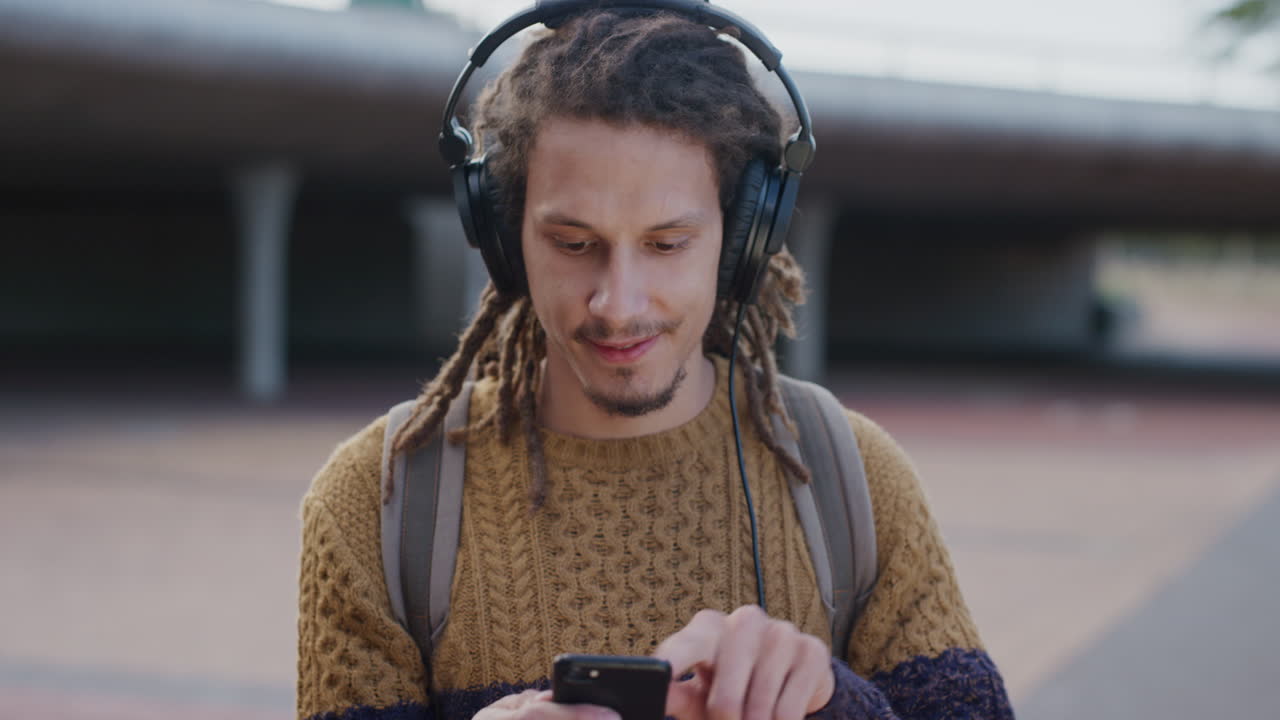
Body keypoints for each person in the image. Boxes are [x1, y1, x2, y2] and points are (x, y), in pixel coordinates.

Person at [296, 6, 1014, 720]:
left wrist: (831, 703)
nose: (617, 302)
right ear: (504, 239)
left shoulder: (853, 480)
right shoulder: (376, 503)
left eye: (667, 244)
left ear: (741, 243)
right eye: (574, 244)